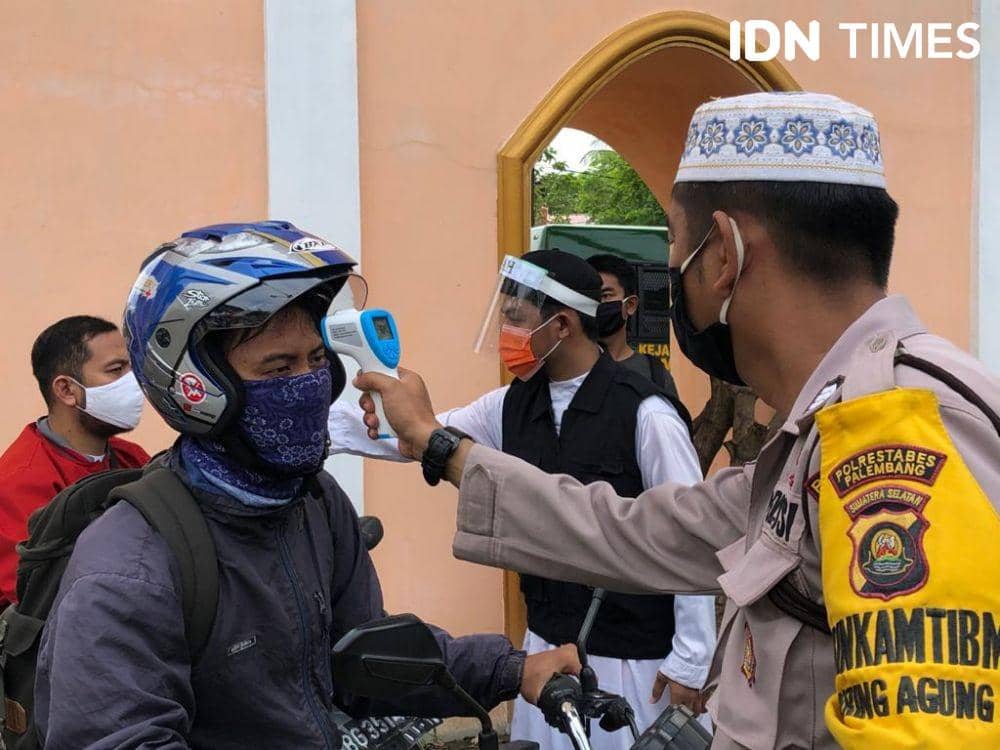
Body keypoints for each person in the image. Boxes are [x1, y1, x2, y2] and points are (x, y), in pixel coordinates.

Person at [354, 93, 1000, 749]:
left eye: (676, 260)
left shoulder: (895, 431)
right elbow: (632, 530)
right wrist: (437, 445)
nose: (674, 287)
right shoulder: (823, 430)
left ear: (725, 255)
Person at [34, 222, 577, 750]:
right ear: (197, 387)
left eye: (317, 359)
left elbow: (362, 658)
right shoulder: (129, 567)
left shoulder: (312, 501)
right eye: (277, 367)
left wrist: (511, 669)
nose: (311, 382)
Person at [332, 249, 716, 747]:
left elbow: (689, 537)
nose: (506, 332)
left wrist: (690, 660)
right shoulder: (510, 404)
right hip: (546, 657)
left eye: (516, 319)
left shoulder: (647, 414)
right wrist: (317, 425)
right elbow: (418, 438)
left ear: (561, 326)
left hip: (635, 662)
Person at [0, 316, 149, 606]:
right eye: (116, 370)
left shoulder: (133, 457)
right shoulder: (18, 482)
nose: (134, 382)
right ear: (67, 390)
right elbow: (36, 596)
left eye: (131, 366)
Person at [587, 254, 679, 399]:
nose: (598, 303)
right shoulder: (569, 370)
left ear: (630, 305)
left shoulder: (655, 374)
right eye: (591, 297)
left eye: (606, 295)